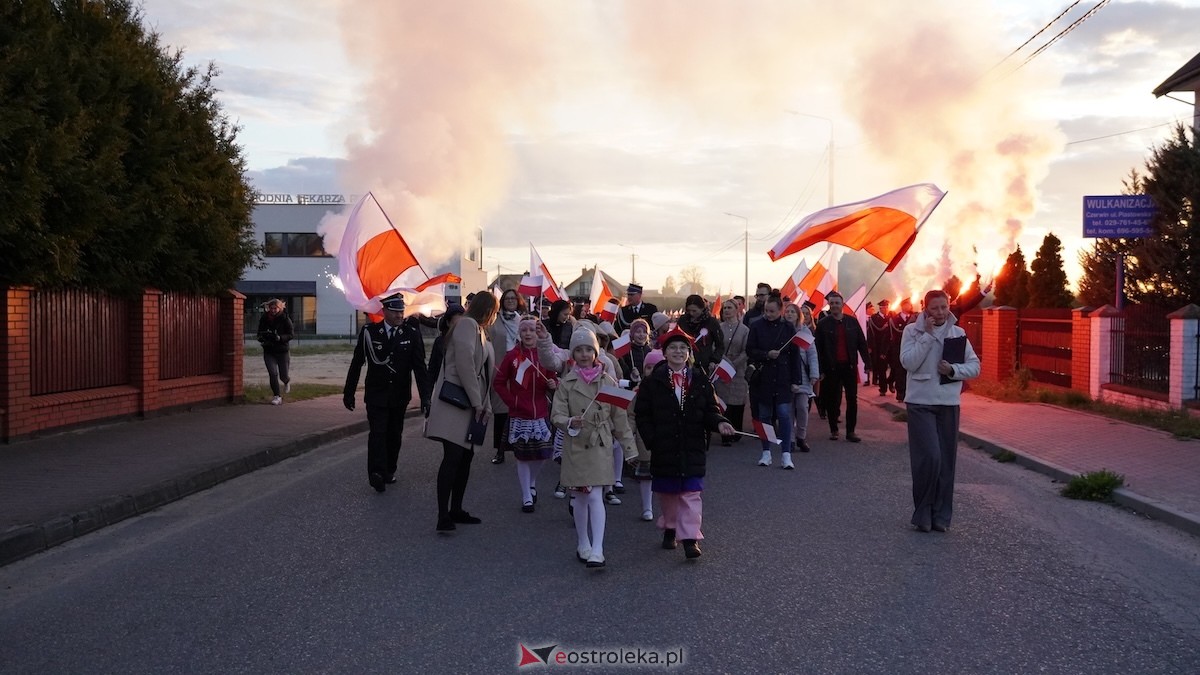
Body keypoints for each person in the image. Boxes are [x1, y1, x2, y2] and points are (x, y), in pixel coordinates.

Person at [635, 328, 733, 560]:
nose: (678, 352)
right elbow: (642, 415)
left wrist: (719, 423)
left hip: (692, 446)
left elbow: (710, 409)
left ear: (689, 353)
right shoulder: (652, 382)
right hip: (664, 446)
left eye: (683, 348)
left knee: (690, 493)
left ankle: (690, 538)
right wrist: (652, 439)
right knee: (668, 494)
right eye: (673, 348)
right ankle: (670, 527)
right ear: (665, 353)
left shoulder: (700, 381)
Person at [551, 328, 637, 568]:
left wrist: (630, 450)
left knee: (596, 495)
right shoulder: (566, 384)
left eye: (589, 349)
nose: (584, 354)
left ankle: (598, 548)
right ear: (573, 354)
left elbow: (620, 418)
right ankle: (583, 542)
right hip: (576, 444)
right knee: (579, 496)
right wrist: (568, 422)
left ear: (596, 352)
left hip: (600, 444)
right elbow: (556, 413)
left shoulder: (608, 382)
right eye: (579, 350)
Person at [900, 289, 980, 533]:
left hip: (948, 403)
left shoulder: (958, 333)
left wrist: (953, 370)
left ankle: (941, 516)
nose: (940, 313)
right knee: (930, 458)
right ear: (925, 309)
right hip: (920, 402)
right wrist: (927, 336)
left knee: (946, 462)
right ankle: (922, 512)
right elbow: (908, 362)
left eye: (943, 307)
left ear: (949, 307)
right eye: (934, 308)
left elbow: (975, 367)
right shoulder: (912, 331)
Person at [343, 293, 432, 493]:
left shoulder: (411, 334)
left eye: (401, 311)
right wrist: (348, 392)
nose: (400, 315)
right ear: (384, 311)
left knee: (394, 434)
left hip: (399, 395)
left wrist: (426, 396)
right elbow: (357, 363)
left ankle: (389, 469)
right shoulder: (369, 332)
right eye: (395, 311)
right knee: (377, 433)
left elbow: (419, 368)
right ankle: (376, 473)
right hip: (376, 394)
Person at [426, 292, 499, 531]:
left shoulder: (480, 330)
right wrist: (478, 402)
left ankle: (456, 509)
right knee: (453, 457)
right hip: (457, 402)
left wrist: (485, 404)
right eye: (495, 311)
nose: (496, 316)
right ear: (487, 310)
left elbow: (486, 375)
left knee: (465, 458)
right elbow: (466, 364)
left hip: (473, 403)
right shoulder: (467, 324)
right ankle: (442, 515)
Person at [493, 315, 559, 512]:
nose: (528, 333)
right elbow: (498, 382)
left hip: (540, 411)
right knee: (522, 456)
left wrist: (553, 383)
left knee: (543, 454)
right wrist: (512, 401)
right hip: (519, 413)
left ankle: (531, 482)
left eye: (531, 330)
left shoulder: (545, 355)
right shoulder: (512, 356)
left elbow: (553, 375)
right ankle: (526, 495)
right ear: (519, 333)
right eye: (524, 330)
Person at [745, 295, 801, 467]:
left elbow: (795, 355)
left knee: (784, 414)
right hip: (763, 378)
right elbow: (750, 350)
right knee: (764, 416)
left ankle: (786, 454)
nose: (768, 314)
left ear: (780, 311)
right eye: (766, 311)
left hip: (783, 377)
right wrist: (766, 354)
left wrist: (796, 380)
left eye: (772, 311)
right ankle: (766, 452)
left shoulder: (788, 328)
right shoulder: (756, 326)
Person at [814, 291, 870, 443]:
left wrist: (867, 362)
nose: (834, 306)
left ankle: (851, 431)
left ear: (842, 305)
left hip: (849, 367)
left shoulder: (852, 322)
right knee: (832, 400)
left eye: (837, 303)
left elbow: (862, 343)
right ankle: (834, 429)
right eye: (831, 303)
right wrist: (819, 370)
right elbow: (817, 349)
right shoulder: (823, 324)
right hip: (831, 367)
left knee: (852, 399)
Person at [489, 289, 527, 465]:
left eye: (513, 298)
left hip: (519, 368)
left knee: (519, 410)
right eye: (507, 298)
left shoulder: (523, 321)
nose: (510, 301)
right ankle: (500, 450)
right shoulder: (495, 320)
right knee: (501, 411)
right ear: (502, 301)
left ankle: (521, 447)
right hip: (500, 367)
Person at [714, 300, 748, 444]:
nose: (726, 310)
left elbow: (747, 350)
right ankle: (726, 435)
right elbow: (715, 347)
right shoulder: (718, 328)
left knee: (737, 402)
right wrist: (726, 363)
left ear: (737, 310)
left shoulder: (744, 330)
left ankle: (737, 430)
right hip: (723, 369)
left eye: (729, 308)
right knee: (724, 401)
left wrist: (734, 364)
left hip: (739, 370)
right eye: (724, 308)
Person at [788, 309, 819, 456]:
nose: (789, 314)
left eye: (792, 312)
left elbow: (812, 354)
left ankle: (801, 436)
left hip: (803, 377)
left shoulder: (805, 332)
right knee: (788, 410)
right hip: (786, 376)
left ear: (798, 315)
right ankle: (791, 439)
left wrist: (814, 374)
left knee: (801, 407)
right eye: (786, 311)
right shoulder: (782, 330)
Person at [256, 299, 294, 406]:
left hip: (282, 351)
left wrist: (280, 338)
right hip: (269, 350)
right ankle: (277, 396)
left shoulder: (285, 319)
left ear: (280, 308)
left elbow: (291, 334)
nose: (273, 310)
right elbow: (259, 332)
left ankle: (286, 381)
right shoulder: (264, 318)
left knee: (283, 375)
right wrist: (262, 338)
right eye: (271, 308)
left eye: (275, 308)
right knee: (273, 373)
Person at [677, 294, 725, 377]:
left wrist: (714, 360)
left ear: (702, 309)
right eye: (689, 310)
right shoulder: (683, 320)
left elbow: (720, 345)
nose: (691, 313)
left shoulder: (711, 322)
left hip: (704, 364)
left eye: (694, 311)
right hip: (684, 361)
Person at [889, 298, 917, 403]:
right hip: (898, 348)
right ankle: (900, 393)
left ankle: (908, 393)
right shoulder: (895, 319)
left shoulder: (914, 318)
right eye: (907, 304)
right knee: (899, 372)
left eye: (910, 304)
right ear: (903, 305)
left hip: (911, 347)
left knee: (909, 371)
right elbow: (890, 335)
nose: (909, 306)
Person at [867, 299, 893, 396]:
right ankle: (883, 388)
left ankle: (890, 381)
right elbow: (870, 332)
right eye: (884, 307)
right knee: (882, 369)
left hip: (890, 347)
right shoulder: (874, 318)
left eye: (887, 307)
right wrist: (870, 346)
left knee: (894, 367)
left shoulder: (891, 317)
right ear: (881, 308)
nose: (886, 309)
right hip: (879, 347)